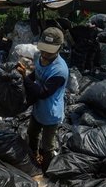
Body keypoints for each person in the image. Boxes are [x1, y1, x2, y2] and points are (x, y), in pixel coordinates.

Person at [17, 27, 69, 170]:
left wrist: (24, 78)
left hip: (50, 114)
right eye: (43, 49)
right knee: (32, 133)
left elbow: (42, 93)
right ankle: (33, 157)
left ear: (59, 48)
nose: (45, 53)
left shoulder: (59, 70)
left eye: (49, 51)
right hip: (38, 108)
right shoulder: (40, 57)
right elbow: (36, 74)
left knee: (47, 146)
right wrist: (25, 76)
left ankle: (47, 169)